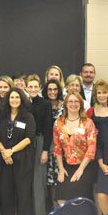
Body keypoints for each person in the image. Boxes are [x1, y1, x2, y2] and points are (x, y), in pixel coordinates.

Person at [0, 88, 36, 215]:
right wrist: (4, 152)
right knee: (6, 190)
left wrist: (11, 151)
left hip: (22, 158)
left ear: (22, 99)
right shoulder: (2, 117)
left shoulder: (28, 117)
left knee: (23, 190)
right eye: (12, 97)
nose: (14, 100)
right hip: (5, 159)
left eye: (17, 97)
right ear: (8, 100)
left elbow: (29, 138)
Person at [53, 92, 97, 203]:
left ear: (81, 104)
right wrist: (61, 169)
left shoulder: (88, 123)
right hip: (67, 165)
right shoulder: (58, 123)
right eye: (70, 101)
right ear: (66, 104)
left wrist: (81, 169)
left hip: (85, 165)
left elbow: (91, 149)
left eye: (76, 101)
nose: (73, 104)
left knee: (77, 195)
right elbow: (57, 148)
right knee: (61, 196)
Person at [26, 74, 53, 215]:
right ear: (26, 87)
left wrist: (45, 151)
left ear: (40, 88)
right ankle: (26, 214)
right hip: (24, 144)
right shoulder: (22, 103)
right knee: (26, 181)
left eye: (36, 86)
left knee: (38, 181)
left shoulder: (45, 104)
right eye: (30, 86)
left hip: (40, 141)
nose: (33, 89)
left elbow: (48, 128)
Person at [43, 79, 64, 207]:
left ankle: (61, 208)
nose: (52, 92)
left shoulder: (64, 105)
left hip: (62, 146)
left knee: (60, 177)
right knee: (50, 179)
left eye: (55, 89)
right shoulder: (43, 104)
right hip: (47, 145)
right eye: (49, 89)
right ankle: (53, 208)